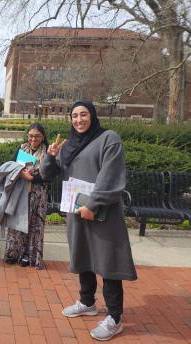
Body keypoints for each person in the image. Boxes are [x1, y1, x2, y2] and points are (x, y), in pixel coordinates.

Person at [39, 100, 137, 341]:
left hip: (102, 213)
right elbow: (46, 175)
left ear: (92, 116)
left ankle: (115, 317)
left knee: (107, 261)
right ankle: (87, 302)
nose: (79, 120)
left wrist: (93, 205)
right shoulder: (68, 145)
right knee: (83, 255)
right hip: (76, 210)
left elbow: (110, 175)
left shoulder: (108, 139)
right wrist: (50, 157)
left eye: (83, 115)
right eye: (74, 116)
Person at [0, 123, 49, 269]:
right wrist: (21, 174)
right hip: (19, 193)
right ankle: (14, 253)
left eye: (37, 136)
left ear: (43, 137)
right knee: (16, 224)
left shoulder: (47, 152)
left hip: (37, 195)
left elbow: (50, 174)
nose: (33, 139)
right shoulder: (21, 148)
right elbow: (11, 165)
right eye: (30, 136)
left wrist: (32, 178)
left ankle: (28, 255)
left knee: (34, 225)